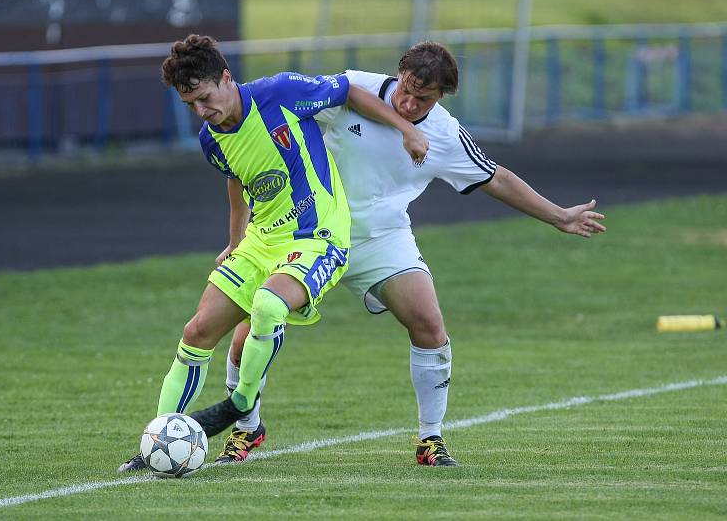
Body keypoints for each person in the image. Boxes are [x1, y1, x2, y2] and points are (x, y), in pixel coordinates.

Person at [197, 42, 607, 467]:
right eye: (407, 90)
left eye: (423, 98)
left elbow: (496, 179)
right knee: (250, 330)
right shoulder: (352, 88)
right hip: (308, 233)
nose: (409, 103)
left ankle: (431, 440)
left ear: (442, 97)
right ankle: (245, 430)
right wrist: (241, 233)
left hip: (380, 238)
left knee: (429, 324)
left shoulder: (446, 136)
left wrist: (558, 216)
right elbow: (260, 134)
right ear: (398, 72)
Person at [118, 34, 428, 472]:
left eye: (205, 98)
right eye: (190, 105)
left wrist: (406, 129)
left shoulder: (281, 93)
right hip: (262, 240)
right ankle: (155, 443)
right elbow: (237, 179)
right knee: (197, 332)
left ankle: (241, 404)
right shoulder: (212, 139)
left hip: (317, 235)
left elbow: (348, 91)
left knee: (267, 305)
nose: (201, 112)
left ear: (227, 78)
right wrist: (234, 241)